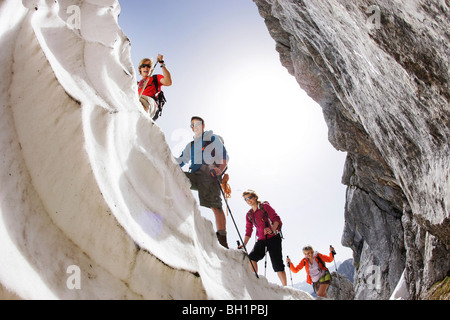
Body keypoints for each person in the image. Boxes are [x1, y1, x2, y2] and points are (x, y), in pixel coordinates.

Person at [177, 116, 229, 249]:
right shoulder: (191, 145)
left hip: (210, 174)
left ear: (203, 125)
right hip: (195, 174)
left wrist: (220, 169)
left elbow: (223, 154)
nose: (195, 127)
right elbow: (181, 160)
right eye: (192, 125)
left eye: (197, 124)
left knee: (215, 206)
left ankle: (222, 239)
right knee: (176, 176)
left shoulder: (212, 138)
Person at [239, 189, 287, 286]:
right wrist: (244, 244)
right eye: (245, 199)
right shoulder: (249, 215)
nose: (248, 200)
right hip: (261, 240)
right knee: (251, 258)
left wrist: (272, 229)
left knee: (277, 265)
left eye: (249, 197)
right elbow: (248, 231)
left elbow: (276, 219)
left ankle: (286, 288)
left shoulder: (265, 207)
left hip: (273, 237)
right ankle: (255, 282)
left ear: (255, 197)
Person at [137, 54, 172, 119]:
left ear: (151, 69)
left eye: (148, 66)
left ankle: (141, 117)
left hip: (150, 102)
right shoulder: (136, 84)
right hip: (138, 99)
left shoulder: (155, 78)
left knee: (140, 102)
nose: (146, 68)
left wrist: (162, 63)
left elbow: (168, 82)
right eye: (143, 66)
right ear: (140, 69)